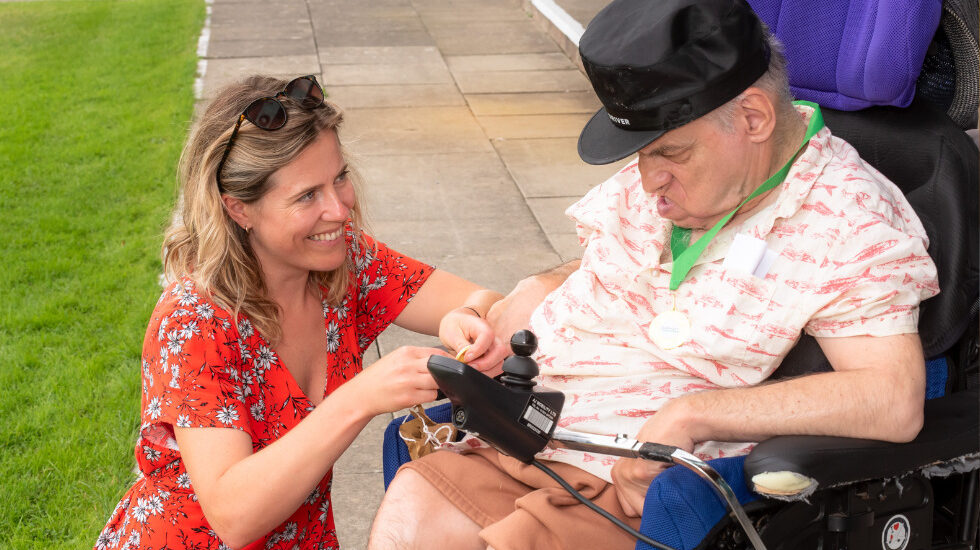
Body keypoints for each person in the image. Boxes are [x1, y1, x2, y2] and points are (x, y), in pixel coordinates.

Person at [369, 0, 940, 548]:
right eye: (639, 155)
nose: (646, 182)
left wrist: (694, 414)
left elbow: (893, 397)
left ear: (754, 117)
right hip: (516, 435)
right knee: (410, 507)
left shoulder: (849, 219)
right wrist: (531, 293)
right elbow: (623, 262)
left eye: (669, 153)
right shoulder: (699, 175)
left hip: (618, 488)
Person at [94, 75, 509, 550]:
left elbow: (484, 298)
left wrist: (465, 319)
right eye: (307, 195)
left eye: (340, 178)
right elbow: (234, 515)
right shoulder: (194, 323)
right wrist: (360, 397)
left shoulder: (344, 262)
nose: (338, 209)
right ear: (238, 209)